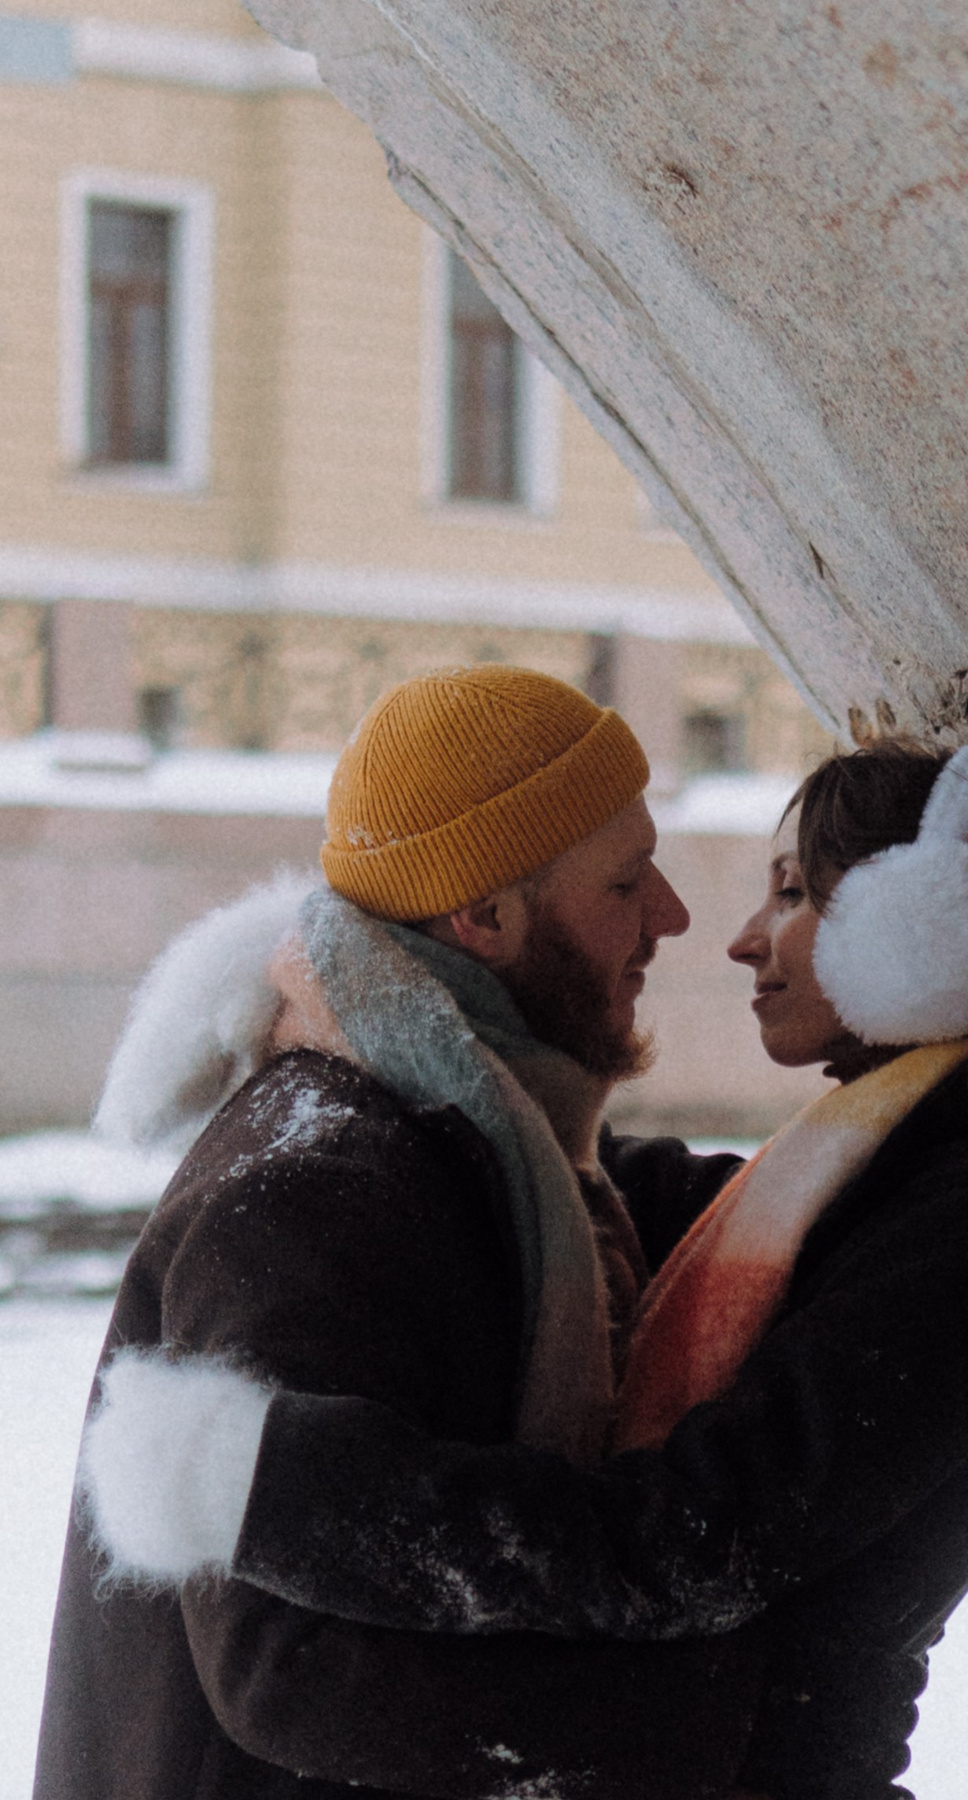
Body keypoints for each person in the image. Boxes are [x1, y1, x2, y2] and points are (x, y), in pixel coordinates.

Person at [77, 737, 968, 1800]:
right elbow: (578, 1178)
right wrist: (443, 1073)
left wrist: (267, 1480)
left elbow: (688, 1533)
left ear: (929, 931)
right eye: (627, 879)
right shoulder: (864, 1177)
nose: (719, 931)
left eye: (791, 891)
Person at [35, 661, 766, 1800]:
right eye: (626, 881)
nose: (671, 915)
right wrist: (710, 1731)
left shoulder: (468, 1137)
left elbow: (651, 1196)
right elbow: (289, 1665)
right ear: (483, 916)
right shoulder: (313, 1185)